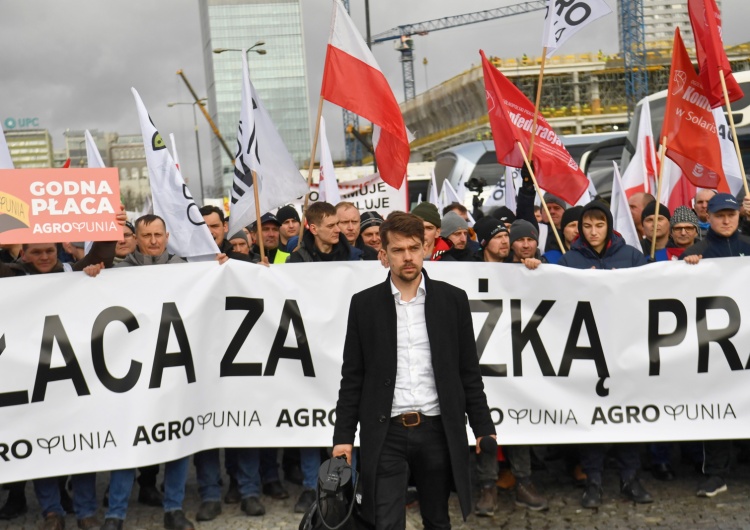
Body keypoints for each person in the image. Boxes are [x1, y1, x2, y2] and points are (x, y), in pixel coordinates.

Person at [332, 212, 496, 529]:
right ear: (384, 254)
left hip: (437, 428)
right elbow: (353, 378)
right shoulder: (363, 305)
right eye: (398, 250)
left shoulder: (453, 300)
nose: (408, 257)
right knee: (385, 523)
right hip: (386, 431)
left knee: (437, 519)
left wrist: (482, 426)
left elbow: (468, 372)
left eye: (414, 248)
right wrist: (343, 438)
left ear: (425, 248)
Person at [101, 214, 231, 530]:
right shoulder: (118, 273)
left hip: (174, 371)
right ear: (137, 238)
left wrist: (222, 269)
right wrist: (92, 274)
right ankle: (115, 514)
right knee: (128, 443)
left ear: (166, 234)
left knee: (177, 440)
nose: (154, 241)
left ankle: (173, 509)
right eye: (147, 235)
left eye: (159, 234)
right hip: (134, 375)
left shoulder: (185, 269)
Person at [557, 201, 651, 508]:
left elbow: (655, 290)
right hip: (587, 352)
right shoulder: (570, 260)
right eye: (587, 226)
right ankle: (593, 481)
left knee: (627, 416)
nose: (593, 231)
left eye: (599, 225)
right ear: (580, 229)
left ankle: (630, 478)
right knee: (591, 418)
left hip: (626, 350)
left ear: (608, 226)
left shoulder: (632, 256)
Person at [681, 193, 750, 498]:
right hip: (714, 347)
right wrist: (688, 266)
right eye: (720, 215)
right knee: (717, 409)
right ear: (707, 217)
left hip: (746, 345)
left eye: (730, 215)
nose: (725, 220)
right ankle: (716, 475)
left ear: (738, 216)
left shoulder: (749, 247)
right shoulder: (698, 251)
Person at [288, 202, 363, 263]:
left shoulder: (354, 256)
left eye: (337, 224)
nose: (338, 230)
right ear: (314, 229)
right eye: (330, 226)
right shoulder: (297, 259)